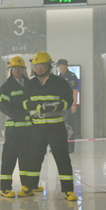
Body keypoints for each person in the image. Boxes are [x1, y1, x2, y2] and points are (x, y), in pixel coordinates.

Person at [23, 52, 77, 201]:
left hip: (56, 127)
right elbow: (24, 102)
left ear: (49, 66)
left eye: (42, 65)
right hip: (37, 127)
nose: (39, 68)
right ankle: (30, 186)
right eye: (36, 65)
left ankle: (68, 190)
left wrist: (55, 106)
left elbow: (68, 101)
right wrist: (36, 106)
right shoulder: (30, 84)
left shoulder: (59, 82)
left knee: (62, 157)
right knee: (34, 157)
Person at [0, 56, 35, 198]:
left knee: (26, 158)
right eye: (14, 68)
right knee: (9, 158)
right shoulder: (6, 87)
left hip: (28, 129)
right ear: (10, 70)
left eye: (19, 68)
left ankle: (26, 185)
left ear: (23, 69)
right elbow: (4, 107)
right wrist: (22, 116)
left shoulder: (29, 84)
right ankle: (5, 188)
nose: (17, 70)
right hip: (13, 128)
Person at [56, 59, 79, 153]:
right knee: (59, 125)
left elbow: (75, 91)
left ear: (65, 66)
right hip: (60, 105)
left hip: (69, 105)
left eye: (60, 66)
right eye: (58, 66)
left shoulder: (71, 76)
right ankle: (60, 146)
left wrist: (74, 104)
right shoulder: (59, 77)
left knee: (70, 125)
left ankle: (70, 147)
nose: (59, 68)